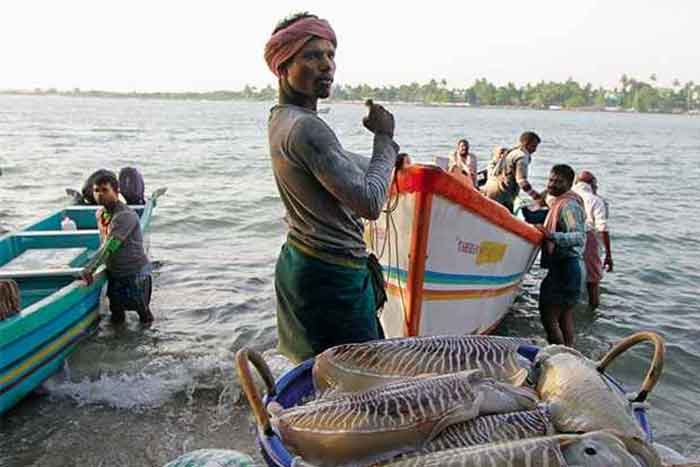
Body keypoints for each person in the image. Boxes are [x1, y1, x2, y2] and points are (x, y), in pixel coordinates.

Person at [265, 12, 400, 363]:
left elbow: (337, 159)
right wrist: (384, 138)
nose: (327, 65)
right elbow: (370, 203)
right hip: (331, 277)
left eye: (330, 55)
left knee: (321, 377)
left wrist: (386, 160)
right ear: (283, 67)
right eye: (311, 56)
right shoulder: (308, 129)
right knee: (362, 383)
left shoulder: (281, 118)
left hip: (302, 262)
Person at [80, 171, 154, 325]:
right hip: (115, 272)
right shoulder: (101, 213)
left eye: (105, 190)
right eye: (96, 191)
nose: (100, 194)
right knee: (116, 314)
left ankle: (150, 344)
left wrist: (90, 268)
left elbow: (110, 246)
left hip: (134, 272)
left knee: (143, 314)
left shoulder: (124, 215)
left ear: (116, 191)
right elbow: (103, 242)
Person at [535, 164, 586, 347]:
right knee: (564, 315)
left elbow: (578, 236)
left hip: (566, 267)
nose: (552, 184)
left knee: (549, 314)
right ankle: (569, 353)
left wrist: (550, 235)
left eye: (558, 182)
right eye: (550, 180)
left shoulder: (568, 206)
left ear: (569, 184)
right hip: (567, 266)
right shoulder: (560, 201)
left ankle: (559, 355)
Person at [573, 170, 613, 309]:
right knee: (593, 281)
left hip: (567, 238)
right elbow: (602, 228)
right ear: (593, 185)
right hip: (589, 238)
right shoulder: (596, 200)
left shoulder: (566, 195)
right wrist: (608, 255)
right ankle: (593, 311)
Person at [483, 132, 543, 212]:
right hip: (501, 194)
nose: (535, 150)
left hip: (489, 187)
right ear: (526, 143)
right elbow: (521, 181)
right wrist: (536, 196)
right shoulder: (522, 157)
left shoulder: (511, 152)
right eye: (534, 146)